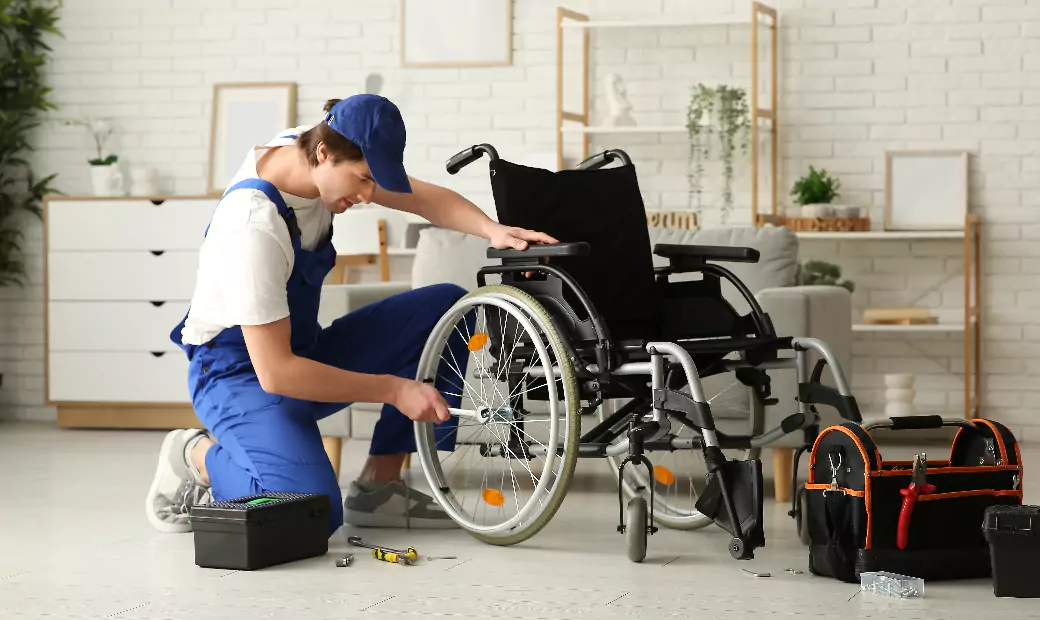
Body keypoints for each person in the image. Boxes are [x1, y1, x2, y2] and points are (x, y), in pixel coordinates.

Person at [145, 94, 556, 535]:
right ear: (323, 154)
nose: (366, 195)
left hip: (304, 354)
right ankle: (195, 456)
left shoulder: (315, 147)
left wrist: (493, 230)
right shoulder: (253, 226)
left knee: (441, 306)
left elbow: (421, 198)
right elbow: (277, 374)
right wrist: (395, 389)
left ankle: (379, 484)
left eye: (372, 181)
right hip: (238, 376)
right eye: (361, 180)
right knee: (313, 510)